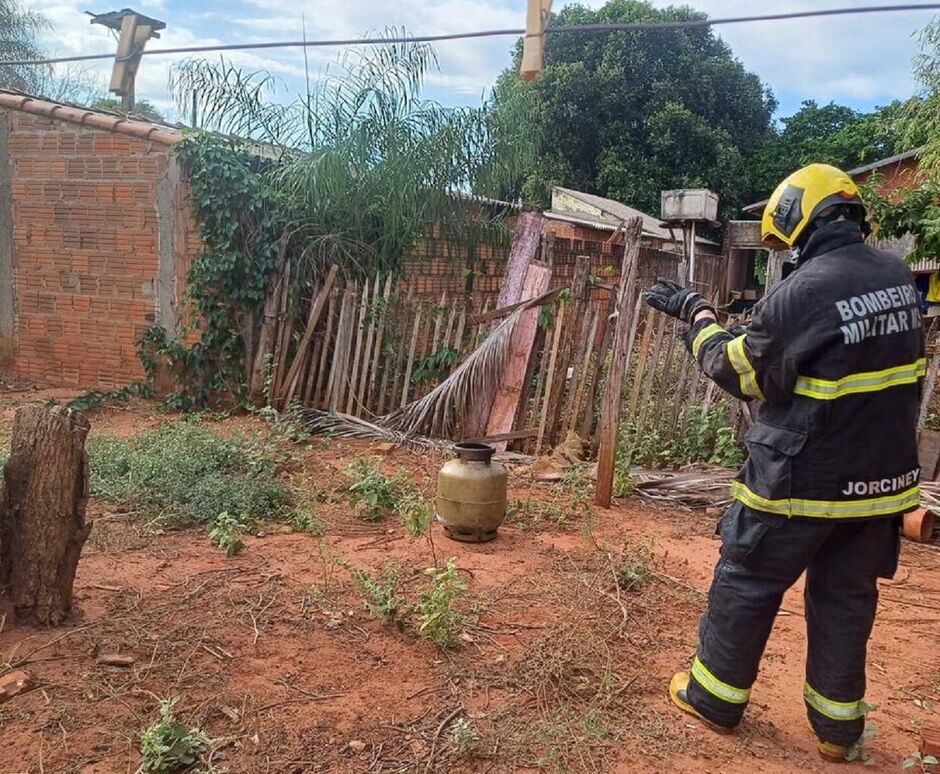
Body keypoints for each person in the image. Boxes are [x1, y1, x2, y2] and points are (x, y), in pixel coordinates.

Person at [645, 163, 925, 761]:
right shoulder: (899, 276)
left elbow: (740, 370)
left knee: (747, 579)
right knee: (847, 599)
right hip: (879, 489)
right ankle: (836, 731)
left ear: (802, 216)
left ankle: (714, 699)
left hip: (801, 481)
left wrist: (697, 318)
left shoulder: (808, 289)